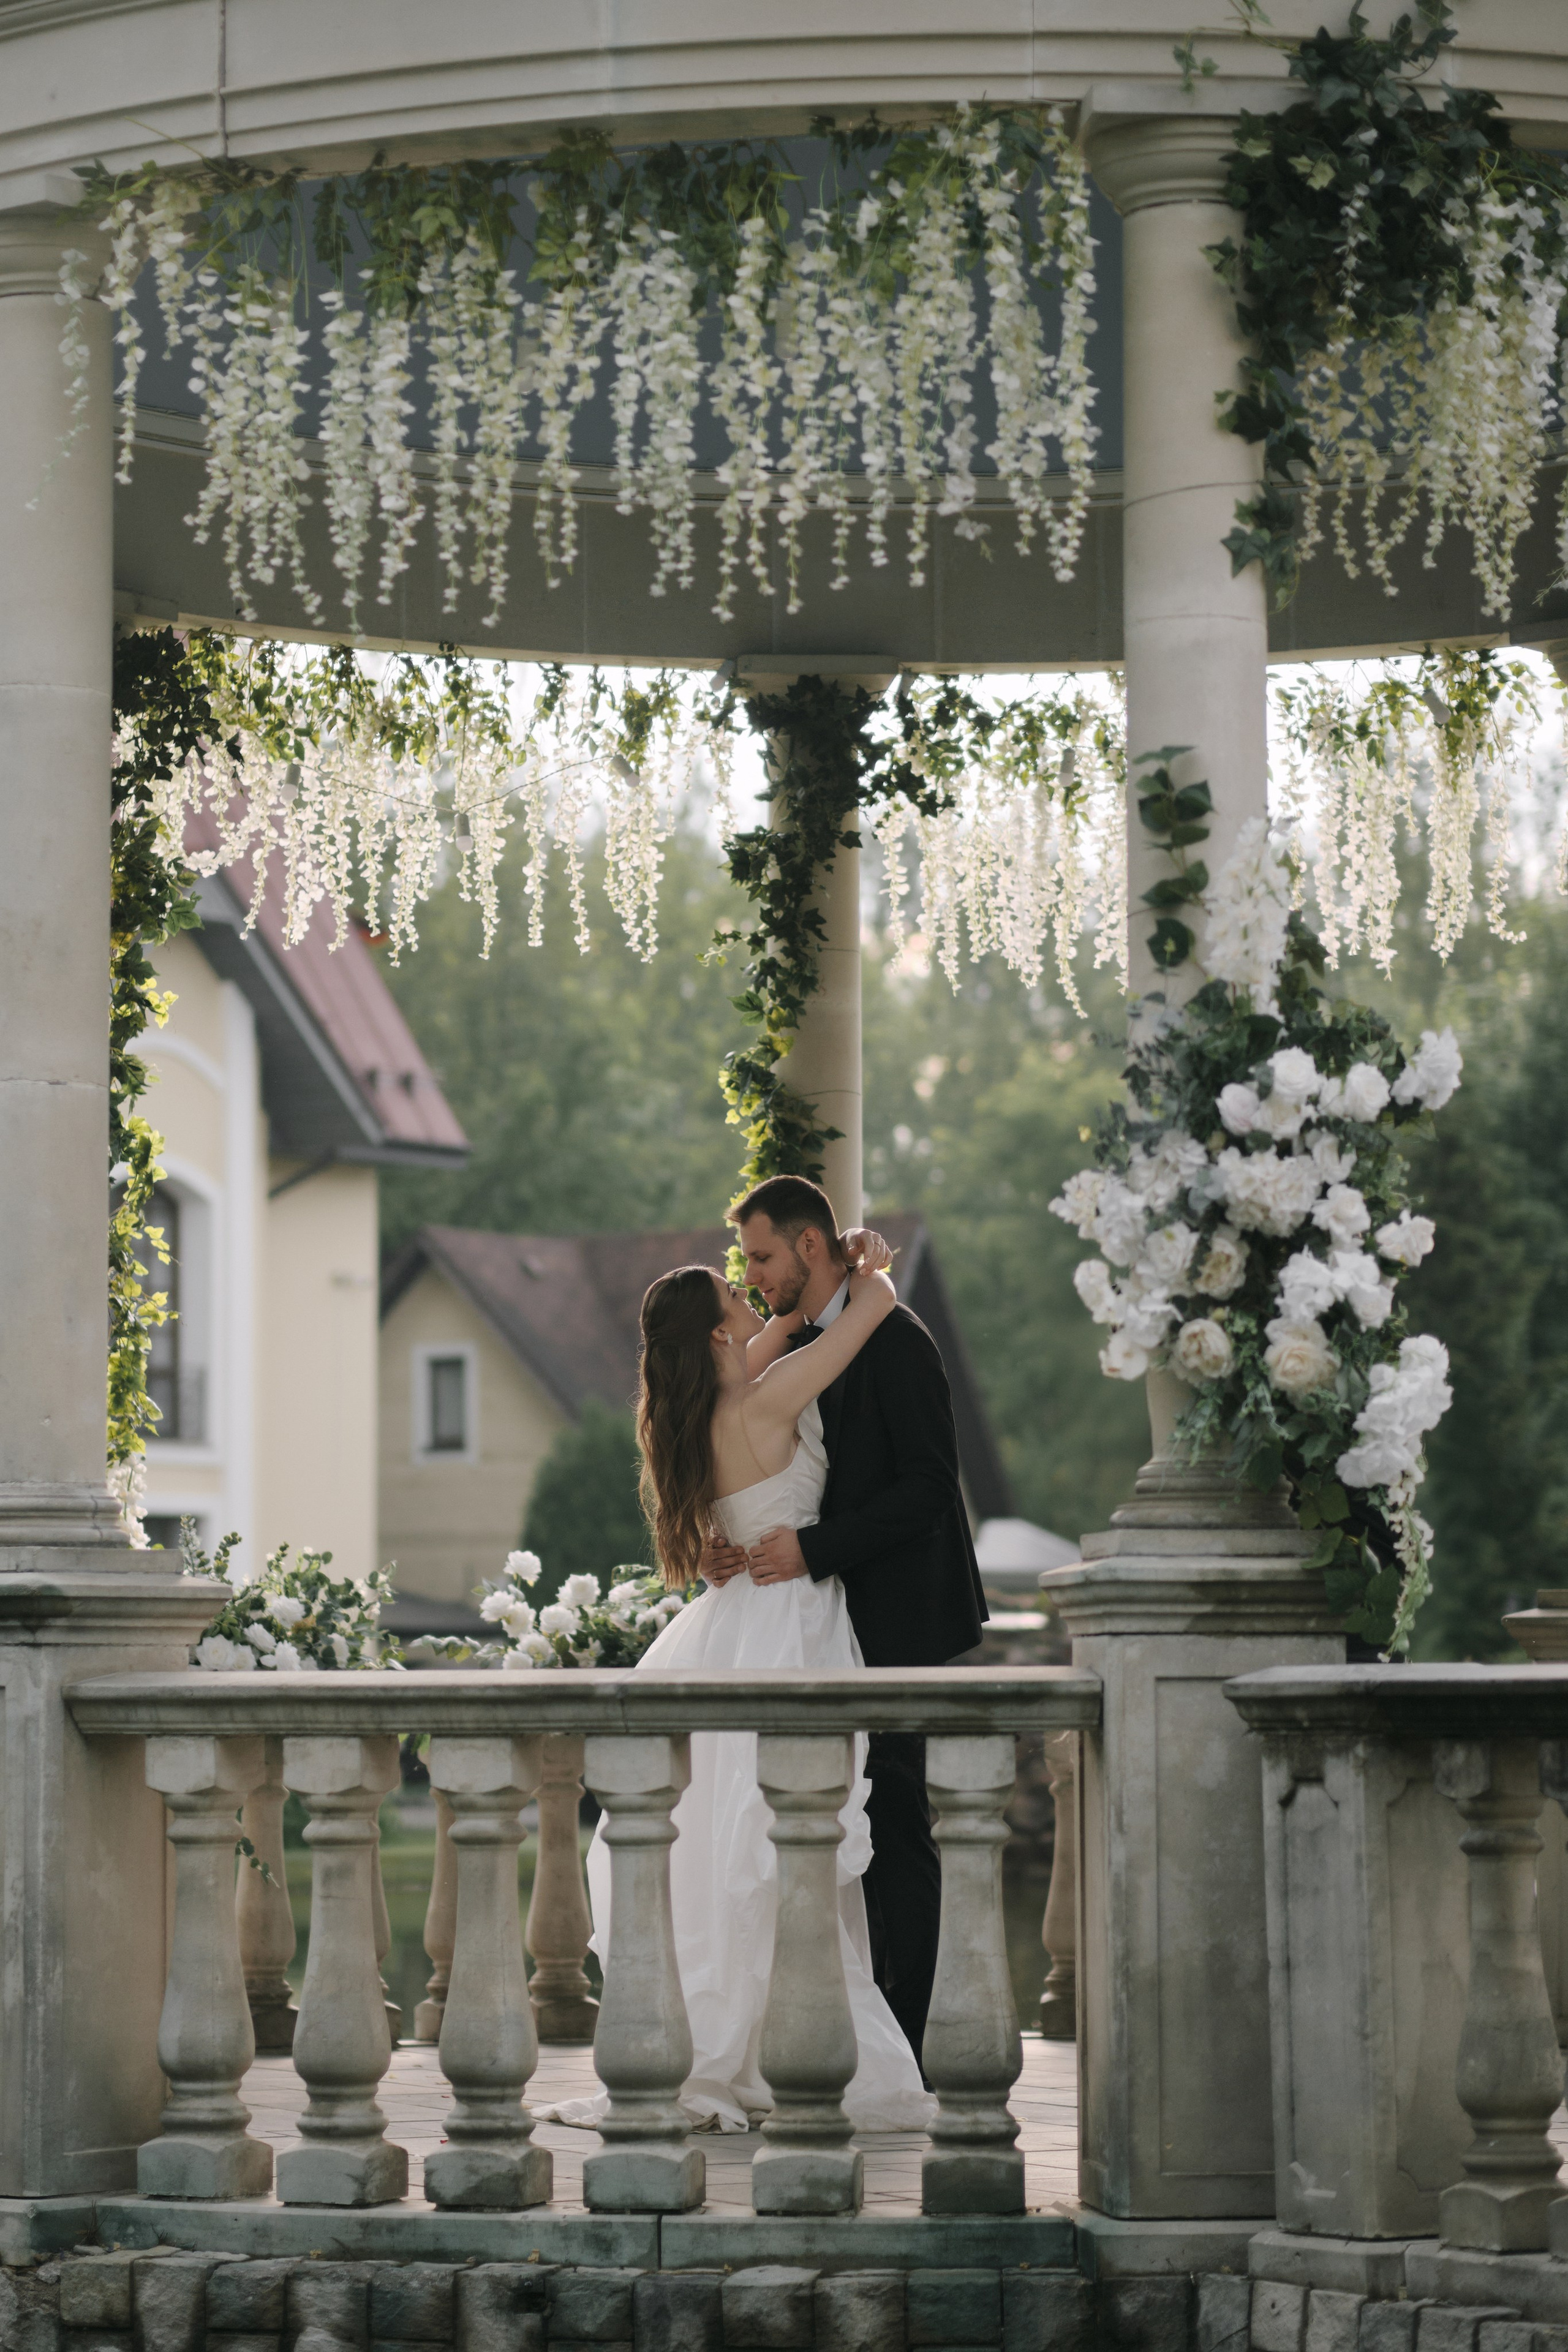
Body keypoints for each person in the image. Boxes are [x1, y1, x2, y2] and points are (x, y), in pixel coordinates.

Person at [535, 1227, 935, 2136]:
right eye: (735, 1299)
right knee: (778, 1846)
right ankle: (779, 2044)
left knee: (729, 1846)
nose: (753, 1306)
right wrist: (860, 1260)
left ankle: (734, 2039)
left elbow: (784, 1323)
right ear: (717, 1336)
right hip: (789, 1625)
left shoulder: (697, 1414)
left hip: (727, 1629)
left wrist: (791, 1296)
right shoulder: (769, 1399)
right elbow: (865, 1311)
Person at [716, 1174, 987, 2069]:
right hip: (821, 1623)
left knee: (895, 1828)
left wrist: (813, 1549)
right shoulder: (800, 1343)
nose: (753, 1277)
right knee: (839, 1834)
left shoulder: (897, 1340)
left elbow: (926, 1488)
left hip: (899, 1622)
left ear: (808, 1245)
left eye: (761, 1257)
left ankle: (908, 2043)